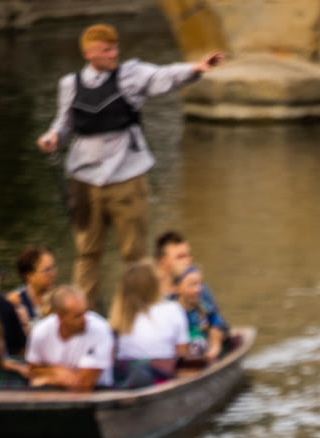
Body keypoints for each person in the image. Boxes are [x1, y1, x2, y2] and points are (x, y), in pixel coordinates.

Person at [37, 25, 226, 310]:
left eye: (115, 48)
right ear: (89, 54)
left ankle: (134, 314)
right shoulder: (70, 84)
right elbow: (64, 124)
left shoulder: (130, 75)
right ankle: (83, 317)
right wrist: (52, 137)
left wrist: (196, 69)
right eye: (106, 50)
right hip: (84, 179)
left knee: (134, 255)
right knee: (87, 253)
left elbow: (162, 76)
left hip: (126, 176)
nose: (114, 54)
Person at [109, 259, 188, 388]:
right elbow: (182, 354)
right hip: (160, 378)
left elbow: (110, 360)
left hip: (126, 379)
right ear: (153, 285)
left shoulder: (118, 316)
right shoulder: (173, 309)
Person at [24, 285, 115, 390]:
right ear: (60, 317)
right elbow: (32, 369)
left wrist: (48, 378)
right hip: (51, 394)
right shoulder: (40, 331)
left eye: (85, 311)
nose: (85, 319)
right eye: (78, 316)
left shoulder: (100, 329)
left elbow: (84, 384)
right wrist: (56, 371)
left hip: (99, 393)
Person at [155, 230, 228, 338]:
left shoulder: (199, 289)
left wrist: (215, 337)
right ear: (163, 262)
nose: (187, 261)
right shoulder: (149, 293)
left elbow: (218, 321)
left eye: (189, 256)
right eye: (180, 257)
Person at [174, 266, 222, 363]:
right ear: (178, 288)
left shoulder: (204, 306)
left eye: (199, 284)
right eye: (192, 285)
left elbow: (216, 322)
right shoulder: (171, 313)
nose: (198, 289)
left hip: (204, 358)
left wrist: (215, 348)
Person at [9, 245, 58, 330]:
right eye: (47, 270)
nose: (53, 274)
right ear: (29, 276)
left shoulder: (60, 298)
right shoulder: (15, 301)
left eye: (53, 267)